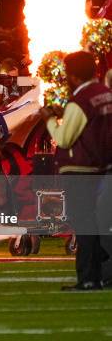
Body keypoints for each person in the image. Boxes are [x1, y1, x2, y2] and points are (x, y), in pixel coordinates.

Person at [40, 51, 112, 291]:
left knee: (84, 224)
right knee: (95, 222)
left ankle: (88, 278)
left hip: (79, 168)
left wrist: (49, 119)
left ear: (72, 76)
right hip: (100, 166)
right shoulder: (105, 94)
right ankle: (100, 274)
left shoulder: (80, 100)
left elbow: (64, 139)